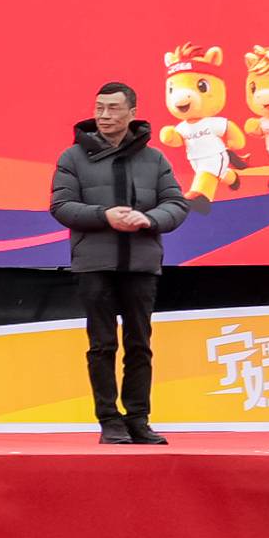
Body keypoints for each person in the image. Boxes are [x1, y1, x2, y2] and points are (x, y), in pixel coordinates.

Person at [51, 77, 189, 447]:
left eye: (113, 108)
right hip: (93, 264)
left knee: (139, 344)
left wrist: (149, 219)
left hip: (141, 264)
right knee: (102, 345)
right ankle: (109, 420)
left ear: (132, 113)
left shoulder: (154, 159)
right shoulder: (72, 157)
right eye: (99, 108)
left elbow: (176, 204)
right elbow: (61, 206)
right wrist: (104, 215)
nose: (105, 115)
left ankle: (139, 419)